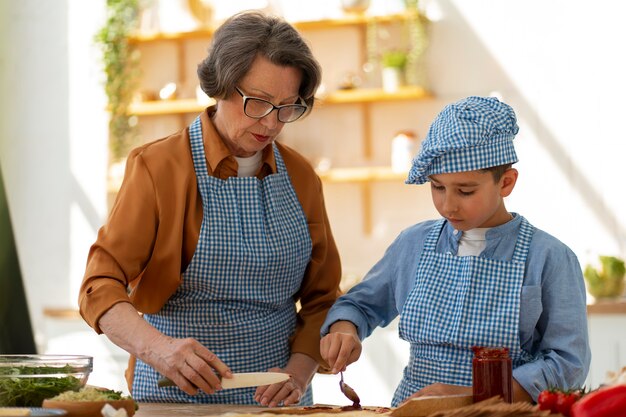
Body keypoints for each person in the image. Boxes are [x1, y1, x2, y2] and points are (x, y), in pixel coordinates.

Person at [79, 10, 341, 406]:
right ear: (221, 86)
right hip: (173, 402)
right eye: (259, 102)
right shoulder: (158, 167)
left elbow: (323, 299)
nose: (271, 123)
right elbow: (99, 285)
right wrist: (158, 349)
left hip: (279, 405)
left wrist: (299, 373)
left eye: (288, 107)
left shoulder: (302, 177)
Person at [319, 96, 591, 406]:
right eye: (437, 187)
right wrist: (345, 328)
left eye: (465, 190)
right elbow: (359, 305)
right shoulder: (414, 244)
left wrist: (473, 397)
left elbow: (568, 364)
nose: (448, 205)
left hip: (499, 414)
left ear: (506, 183)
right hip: (412, 411)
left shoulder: (549, 258)